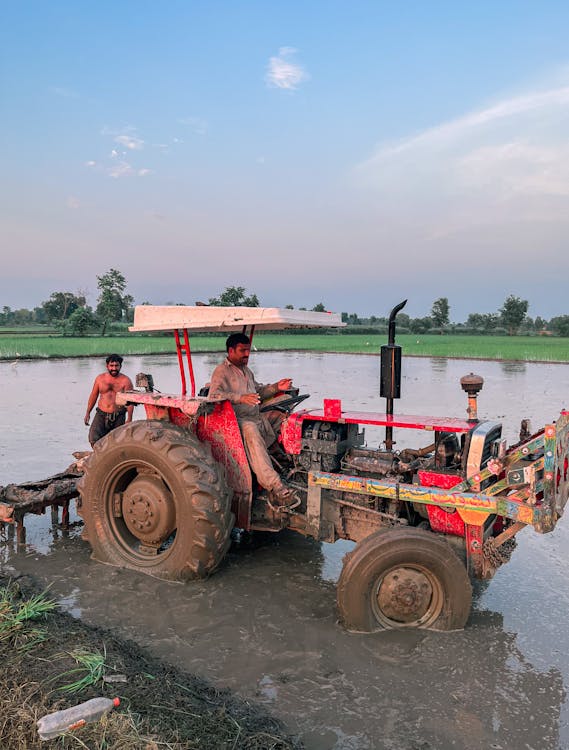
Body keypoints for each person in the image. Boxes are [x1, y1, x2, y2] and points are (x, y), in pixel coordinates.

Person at [208, 333, 297, 507]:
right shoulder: (222, 371)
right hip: (236, 421)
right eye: (243, 350)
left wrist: (277, 387)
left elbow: (258, 393)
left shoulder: (246, 370)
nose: (247, 354)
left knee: (283, 418)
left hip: (255, 416)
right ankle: (275, 485)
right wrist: (240, 398)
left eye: (248, 350)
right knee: (251, 430)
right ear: (231, 350)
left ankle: (289, 463)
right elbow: (214, 395)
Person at [84, 354, 134, 447]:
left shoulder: (126, 381)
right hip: (101, 413)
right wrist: (88, 412)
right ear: (107, 366)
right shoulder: (100, 379)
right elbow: (94, 395)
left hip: (119, 415)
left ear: (120, 366)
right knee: (93, 438)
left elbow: (130, 401)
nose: (114, 368)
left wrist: (129, 418)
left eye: (116, 366)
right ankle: (99, 456)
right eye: (111, 366)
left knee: (117, 442)